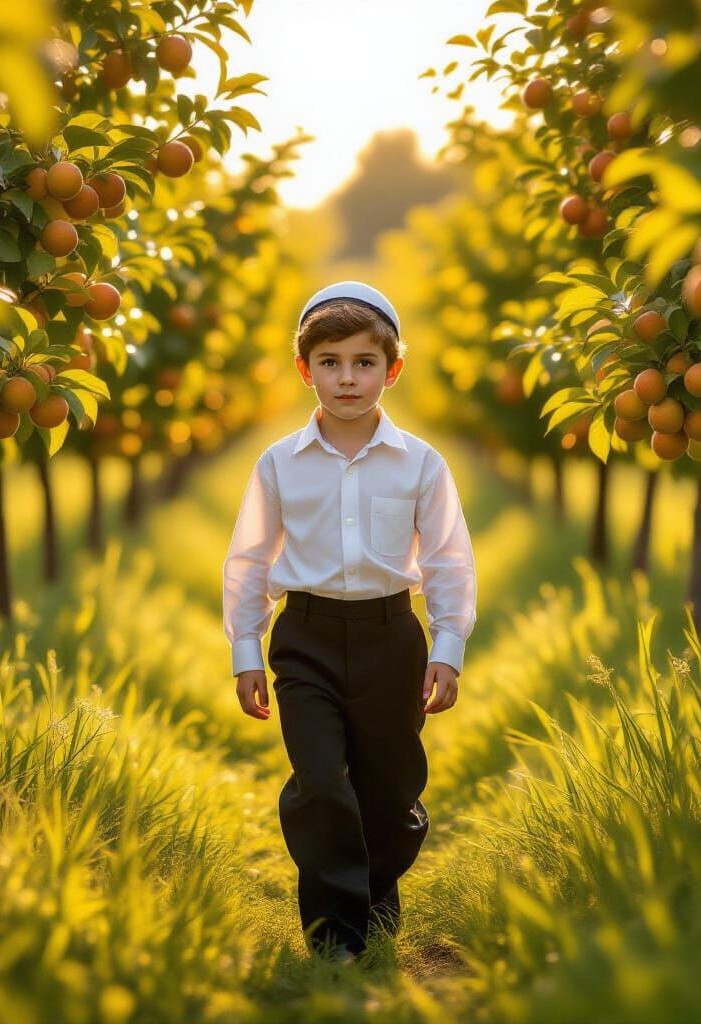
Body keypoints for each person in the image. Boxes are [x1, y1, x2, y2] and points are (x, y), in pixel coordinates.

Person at [222, 281, 477, 962]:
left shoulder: (421, 462)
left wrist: (447, 646)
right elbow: (249, 558)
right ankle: (334, 937)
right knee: (320, 780)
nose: (347, 378)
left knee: (387, 788)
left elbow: (450, 558)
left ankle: (376, 885)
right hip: (303, 639)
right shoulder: (279, 463)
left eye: (364, 362)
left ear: (392, 370)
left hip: (391, 638)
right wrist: (247, 648)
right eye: (330, 362)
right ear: (306, 370)